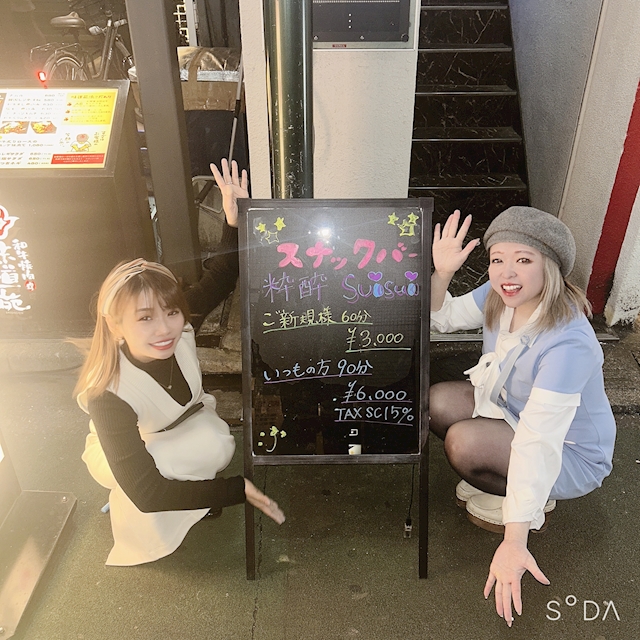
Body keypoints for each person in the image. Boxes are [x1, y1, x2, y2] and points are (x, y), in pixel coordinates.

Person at [75, 160, 284, 567]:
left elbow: (222, 274)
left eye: (171, 311)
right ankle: (139, 520)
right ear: (116, 325)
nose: (165, 328)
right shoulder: (107, 391)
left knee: (214, 445)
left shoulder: (180, 324)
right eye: (144, 318)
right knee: (159, 481)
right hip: (132, 451)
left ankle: (192, 496)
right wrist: (235, 490)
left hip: (180, 427)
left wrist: (233, 219)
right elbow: (149, 493)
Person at [429, 207, 616, 627]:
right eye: (498, 259)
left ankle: (532, 502)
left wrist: (516, 540)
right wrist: (442, 273)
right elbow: (442, 318)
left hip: (568, 452)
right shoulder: (501, 294)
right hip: (511, 411)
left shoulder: (569, 343)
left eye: (524, 259)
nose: (507, 272)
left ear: (551, 266)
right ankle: (507, 480)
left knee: (463, 443)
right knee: (437, 402)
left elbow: (538, 439)